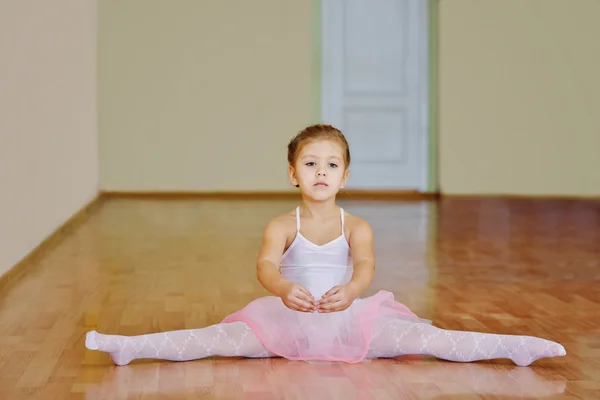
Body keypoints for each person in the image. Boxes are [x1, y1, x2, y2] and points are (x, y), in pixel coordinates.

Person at [85, 124, 566, 367]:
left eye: (331, 165)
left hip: (352, 322)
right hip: (286, 323)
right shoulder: (281, 223)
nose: (321, 172)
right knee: (214, 339)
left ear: (346, 175)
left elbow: (364, 268)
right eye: (310, 164)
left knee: (431, 339)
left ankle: (513, 346)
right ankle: (129, 347)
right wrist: (281, 289)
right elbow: (266, 267)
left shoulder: (356, 225)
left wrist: (354, 292)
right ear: (293, 174)